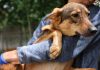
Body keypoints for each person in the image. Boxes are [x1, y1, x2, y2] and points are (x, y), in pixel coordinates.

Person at [0, 0, 100, 69]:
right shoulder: (50, 18)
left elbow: (65, 51)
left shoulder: (96, 15)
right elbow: (32, 46)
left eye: (88, 14)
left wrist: (15, 54)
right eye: (75, 15)